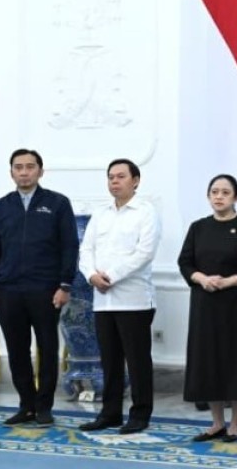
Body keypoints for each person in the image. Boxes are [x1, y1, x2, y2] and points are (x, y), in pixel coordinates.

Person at [0, 149, 78, 426]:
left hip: (46, 289)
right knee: (17, 349)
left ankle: (44, 407)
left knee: (47, 348)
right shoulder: (1, 207)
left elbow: (70, 246)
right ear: (11, 172)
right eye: (18, 167)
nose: (24, 172)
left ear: (40, 171)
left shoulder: (57, 204)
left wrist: (65, 284)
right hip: (8, 290)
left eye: (30, 167)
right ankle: (26, 405)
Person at [178, 174, 237, 442]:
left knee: (236, 360)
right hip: (205, 303)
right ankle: (217, 422)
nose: (219, 196)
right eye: (214, 192)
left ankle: (236, 423)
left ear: (236, 197)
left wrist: (229, 281)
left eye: (225, 192)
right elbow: (185, 263)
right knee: (209, 361)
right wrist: (202, 279)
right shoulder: (198, 228)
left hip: (236, 304)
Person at [77, 159, 162, 434]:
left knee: (137, 361)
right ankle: (110, 413)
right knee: (109, 360)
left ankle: (140, 414)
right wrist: (91, 275)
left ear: (135, 180)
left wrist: (109, 275)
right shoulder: (101, 214)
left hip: (134, 299)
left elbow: (143, 253)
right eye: (111, 177)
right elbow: (85, 250)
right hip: (103, 300)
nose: (114, 181)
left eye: (121, 176)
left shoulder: (146, 212)